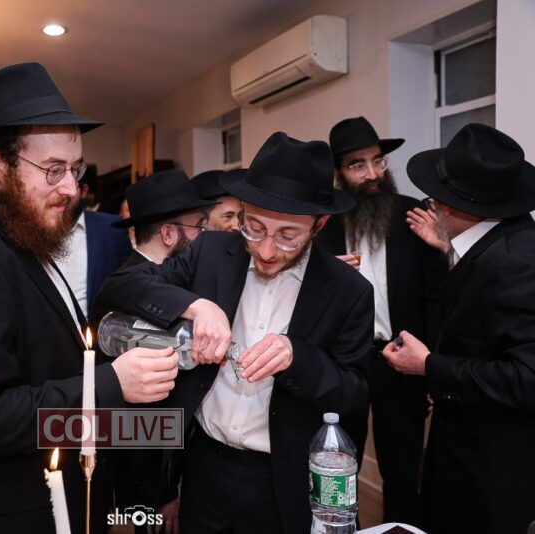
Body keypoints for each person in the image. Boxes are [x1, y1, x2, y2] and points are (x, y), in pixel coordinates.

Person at [0, 62, 179, 533]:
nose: (70, 188)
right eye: (52, 170)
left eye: (75, 168)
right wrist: (109, 385)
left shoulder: (17, 230)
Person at [96, 132, 373, 534]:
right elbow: (120, 287)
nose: (266, 250)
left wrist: (298, 357)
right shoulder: (210, 252)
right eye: (254, 228)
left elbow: (355, 392)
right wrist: (196, 306)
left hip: (282, 481)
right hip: (204, 468)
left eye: (287, 236)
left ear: (320, 225)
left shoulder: (349, 290)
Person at [383, 123, 535, 534]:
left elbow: (526, 379)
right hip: (466, 460)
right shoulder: (496, 244)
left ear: (447, 207)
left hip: (491, 477)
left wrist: (429, 366)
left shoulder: (517, 261)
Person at [317, 116, 447, 523]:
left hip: (399, 360)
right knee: (337, 466)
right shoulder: (320, 225)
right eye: (357, 165)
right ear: (338, 172)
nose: (373, 173)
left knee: (403, 470)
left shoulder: (412, 216)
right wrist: (324, 275)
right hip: (344, 363)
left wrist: (433, 366)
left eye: (377, 161)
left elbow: (437, 298)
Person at [53, 181, 131, 318]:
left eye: (68, 186)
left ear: (84, 191)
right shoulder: (34, 231)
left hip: (98, 326)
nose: (62, 193)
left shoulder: (111, 228)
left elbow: (129, 281)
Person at [112, 169, 215, 268]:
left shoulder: (164, 273)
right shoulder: (139, 279)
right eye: (199, 226)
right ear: (168, 234)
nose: (203, 233)